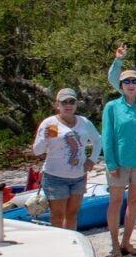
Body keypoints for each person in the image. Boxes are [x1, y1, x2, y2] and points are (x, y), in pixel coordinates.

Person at [32, 88, 102, 230]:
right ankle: (58, 242)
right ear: (57, 104)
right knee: (57, 215)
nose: (68, 105)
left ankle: (71, 240)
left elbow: (97, 140)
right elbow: (37, 151)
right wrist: (44, 137)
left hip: (78, 176)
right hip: (55, 177)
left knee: (73, 214)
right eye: (64, 102)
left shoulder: (84, 122)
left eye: (72, 102)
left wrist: (92, 159)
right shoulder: (50, 123)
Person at [102, 69, 136, 257]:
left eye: (134, 81)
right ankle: (115, 244)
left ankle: (126, 242)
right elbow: (107, 136)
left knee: (134, 202)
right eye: (126, 81)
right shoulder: (112, 107)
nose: (131, 85)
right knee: (115, 202)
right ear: (121, 85)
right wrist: (110, 163)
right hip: (119, 163)